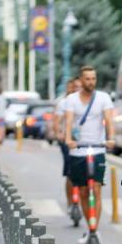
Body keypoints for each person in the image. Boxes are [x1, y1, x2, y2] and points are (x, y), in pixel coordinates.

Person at [64, 66, 115, 244]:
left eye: (93, 78)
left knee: (96, 189)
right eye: (87, 79)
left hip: (98, 149)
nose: (91, 82)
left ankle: (94, 229)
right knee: (84, 191)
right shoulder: (71, 100)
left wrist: (110, 138)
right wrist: (68, 139)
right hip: (78, 150)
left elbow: (109, 119)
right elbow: (69, 121)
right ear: (81, 80)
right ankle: (89, 225)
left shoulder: (103, 98)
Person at [53, 77, 81, 210]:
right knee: (70, 172)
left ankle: (82, 198)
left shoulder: (85, 102)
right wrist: (59, 134)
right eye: (72, 87)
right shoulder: (63, 103)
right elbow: (57, 122)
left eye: (76, 87)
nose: (74, 89)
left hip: (83, 142)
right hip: (67, 141)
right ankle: (71, 202)